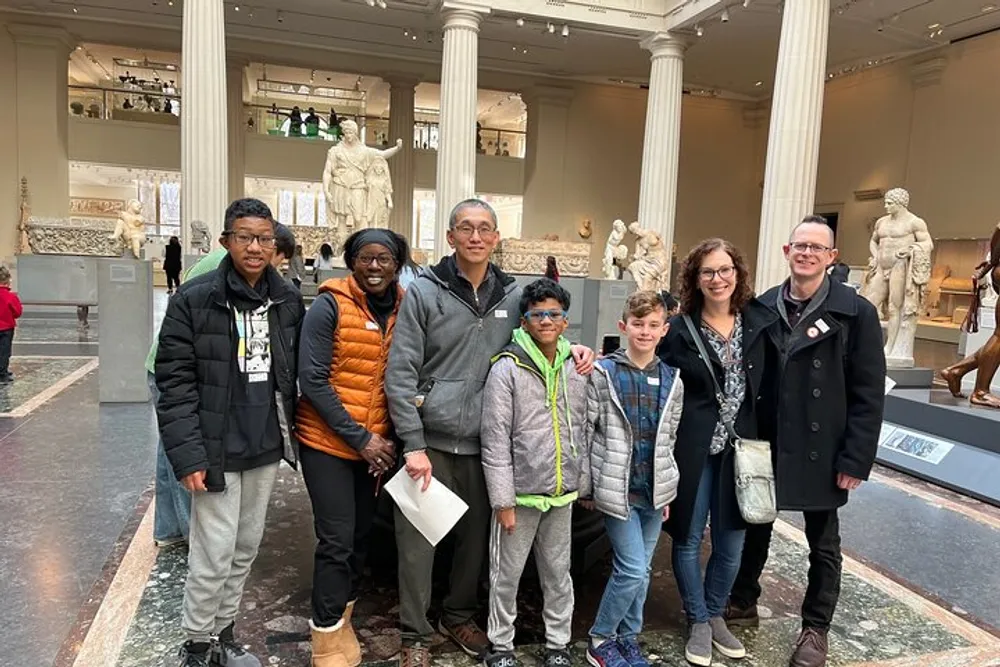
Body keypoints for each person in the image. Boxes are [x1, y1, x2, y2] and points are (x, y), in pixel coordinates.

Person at [386, 198, 595, 667]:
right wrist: (413, 444)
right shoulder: (425, 291)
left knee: (476, 543)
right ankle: (414, 636)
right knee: (418, 545)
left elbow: (540, 333)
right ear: (451, 237)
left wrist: (575, 347)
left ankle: (457, 616)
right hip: (432, 442)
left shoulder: (511, 295)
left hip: (487, 446)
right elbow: (400, 372)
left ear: (496, 238)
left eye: (485, 229)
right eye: (466, 228)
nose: (475, 236)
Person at [725, 218, 885, 667]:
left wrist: (856, 458)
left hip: (823, 445)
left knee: (823, 541)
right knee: (756, 524)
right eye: (800, 246)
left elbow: (868, 394)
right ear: (786, 250)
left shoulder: (856, 313)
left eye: (818, 247)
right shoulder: (761, 307)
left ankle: (816, 628)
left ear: (831, 257)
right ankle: (743, 596)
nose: (807, 253)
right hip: (769, 440)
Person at [156, 198, 305, 667]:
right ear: (226, 242)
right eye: (244, 237)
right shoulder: (194, 300)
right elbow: (174, 385)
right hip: (214, 448)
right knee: (213, 552)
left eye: (264, 238)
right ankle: (197, 643)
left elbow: (297, 373)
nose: (255, 247)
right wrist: (188, 457)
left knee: (244, 549)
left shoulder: (287, 301)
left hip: (262, 446)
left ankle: (224, 632)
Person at [297, 229, 410, 667]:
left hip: (377, 446)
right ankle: (323, 641)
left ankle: (342, 623)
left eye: (384, 258)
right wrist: (361, 439)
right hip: (328, 442)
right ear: (351, 262)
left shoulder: (406, 308)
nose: (375, 267)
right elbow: (314, 381)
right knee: (337, 540)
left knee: (362, 538)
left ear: (398, 263)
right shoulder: (329, 305)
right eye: (366, 258)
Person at [145, 223, 296, 551]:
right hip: (186, 369)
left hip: (189, 367)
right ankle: (192, 534)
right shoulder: (220, 271)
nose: (275, 268)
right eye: (280, 261)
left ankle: (169, 529)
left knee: (169, 452)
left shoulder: (239, 268)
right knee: (187, 454)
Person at [659, 239, 775, 666]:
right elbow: (646, 361)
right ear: (695, 279)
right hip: (693, 451)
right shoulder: (679, 330)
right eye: (708, 272)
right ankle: (699, 619)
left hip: (742, 452)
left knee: (732, 541)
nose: (717, 279)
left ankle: (714, 610)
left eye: (725, 269)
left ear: (738, 273)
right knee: (689, 535)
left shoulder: (760, 323)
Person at [480, 278, 591, 667]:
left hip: (561, 494)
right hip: (520, 495)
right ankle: (501, 645)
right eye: (538, 314)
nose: (546, 320)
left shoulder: (578, 368)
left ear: (565, 321)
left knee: (558, 574)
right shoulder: (506, 369)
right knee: (506, 575)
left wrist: (584, 483)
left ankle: (558, 643)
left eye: (554, 314)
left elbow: (585, 427)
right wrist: (503, 500)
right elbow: (494, 442)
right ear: (525, 321)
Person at [585, 291, 682, 667]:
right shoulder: (602, 373)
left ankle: (628, 637)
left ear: (664, 330)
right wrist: (588, 486)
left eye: (652, 325)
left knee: (640, 573)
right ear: (624, 327)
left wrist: (667, 489)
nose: (645, 331)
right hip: (618, 491)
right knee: (632, 568)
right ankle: (600, 637)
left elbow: (669, 438)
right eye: (638, 324)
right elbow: (588, 430)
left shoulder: (673, 379)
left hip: (653, 493)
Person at [0, 265, 23, 383]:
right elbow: (17, 312)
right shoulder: (11, 297)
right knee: (4, 351)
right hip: (6, 328)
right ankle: (2, 373)